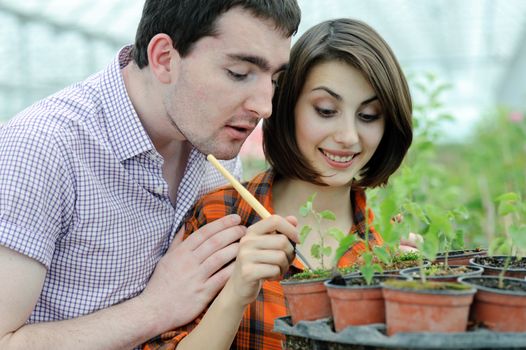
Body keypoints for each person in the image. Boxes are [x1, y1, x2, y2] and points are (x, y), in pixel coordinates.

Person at [0, 1, 301, 349]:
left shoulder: (211, 147)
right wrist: (154, 309)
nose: (265, 106)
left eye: (275, 79)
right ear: (163, 58)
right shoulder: (42, 150)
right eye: (238, 73)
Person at [143, 17, 413, 350]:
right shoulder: (223, 217)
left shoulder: (389, 248)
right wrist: (237, 291)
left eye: (369, 116)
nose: (348, 136)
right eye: (326, 110)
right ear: (287, 106)